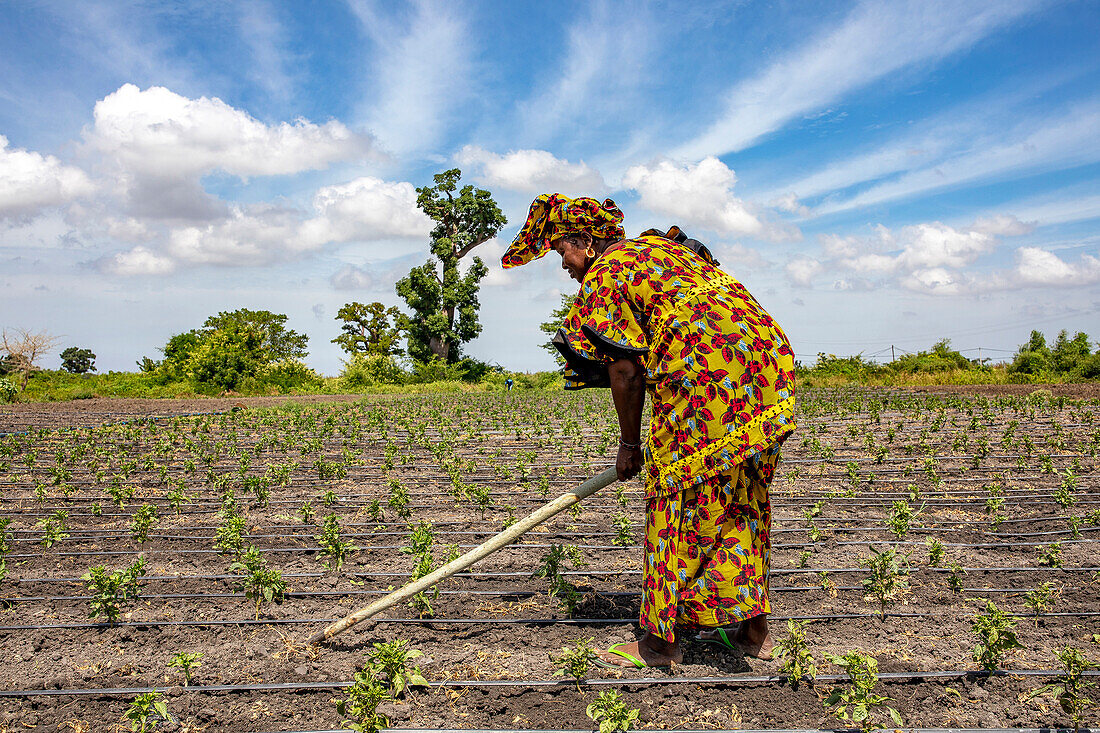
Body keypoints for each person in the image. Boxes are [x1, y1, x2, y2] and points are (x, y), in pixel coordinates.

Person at [502, 193, 796, 668]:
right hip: (767, 370)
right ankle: (751, 632)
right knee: (742, 494)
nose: (564, 266)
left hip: (705, 376)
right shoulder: (662, 250)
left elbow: (626, 372)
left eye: (562, 252)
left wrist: (630, 445)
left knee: (672, 496)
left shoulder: (605, 273)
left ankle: (659, 644)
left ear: (584, 241)